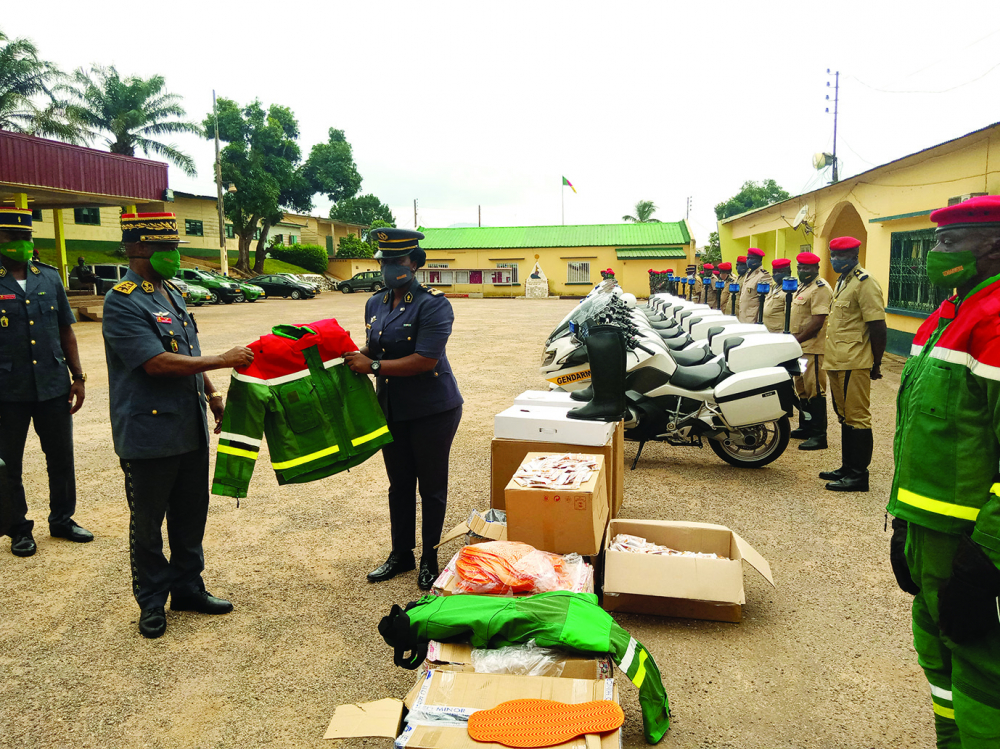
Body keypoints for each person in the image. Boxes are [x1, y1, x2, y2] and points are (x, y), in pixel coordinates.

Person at [102, 212, 253, 639]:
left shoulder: (171, 292)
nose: (174, 255)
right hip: (148, 434)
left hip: (188, 427)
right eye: (164, 248)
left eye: (174, 247)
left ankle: (188, 588)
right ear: (137, 249)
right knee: (147, 524)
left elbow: (186, 350)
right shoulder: (123, 300)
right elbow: (156, 362)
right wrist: (222, 360)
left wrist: (212, 392)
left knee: (190, 516)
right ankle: (151, 601)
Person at [886, 195, 1000, 746]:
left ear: (993, 246)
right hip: (929, 534)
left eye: (949, 242)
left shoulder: (995, 319)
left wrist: (987, 557)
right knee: (938, 657)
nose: (934, 254)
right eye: (934, 241)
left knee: (983, 677)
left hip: (970, 542)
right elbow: (921, 429)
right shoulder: (948, 315)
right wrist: (903, 519)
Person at [346, 228, 463, 590]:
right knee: (399, 485)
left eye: (396, 261)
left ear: (413, 262)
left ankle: (430, 556)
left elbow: (425, 359)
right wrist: (343, 355)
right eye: (384, 261)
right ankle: (401, 554)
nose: (388, 267)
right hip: (391, 406)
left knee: (431, 486)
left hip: (432, 408)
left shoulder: (434, 304)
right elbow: (373, 347)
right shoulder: (375, 303)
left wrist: (374, 368)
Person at [0, 208, 90, 558]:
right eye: (12, 239)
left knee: (61, 457)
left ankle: (63, 519)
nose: (21, 244)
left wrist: (78, 376)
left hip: (52, 384)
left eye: (26, 238)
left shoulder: (49, 277)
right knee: (9, 462)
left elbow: (65, 329)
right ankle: (18, 529)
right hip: (8, 389)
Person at [819, 236, 886, 492]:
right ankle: (847, 467)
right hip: (837, 360)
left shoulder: (864, 283)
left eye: (841, 256)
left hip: (854, 361)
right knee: (844, 416)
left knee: (857, 418)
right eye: (833, 255)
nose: (835, 260)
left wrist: (876, 363)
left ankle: (859, 475)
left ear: (855, 255)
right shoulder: (843, 281)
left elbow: (877, 326)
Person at [787, 252, 833, 450]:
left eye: (806, 268)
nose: (802, 271)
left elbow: (817, 322)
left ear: (816, 268)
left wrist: (796, 340)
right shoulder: (804, 287)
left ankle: (819, 434)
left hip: (812, 348)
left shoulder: (821, 288)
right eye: (800, 267)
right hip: (800, 349)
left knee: (815, 390)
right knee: (802, 387)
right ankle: (805, 426)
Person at [737, 248, 772, 323]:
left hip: (753, 319)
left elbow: (765, 301)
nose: (748, 260)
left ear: (759, 260)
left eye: (751, 258)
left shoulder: (763, 276)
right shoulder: (748, 274)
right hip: (743, 316)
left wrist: (759, 320)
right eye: (748, 258)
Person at [761, 258, 791, 332]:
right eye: (774, 272)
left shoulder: (790, 290)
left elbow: (790, 316)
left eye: (779, 272)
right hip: (767, 329)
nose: (775, 275)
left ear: (788, 272)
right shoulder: (774, 287)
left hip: (779, 332)